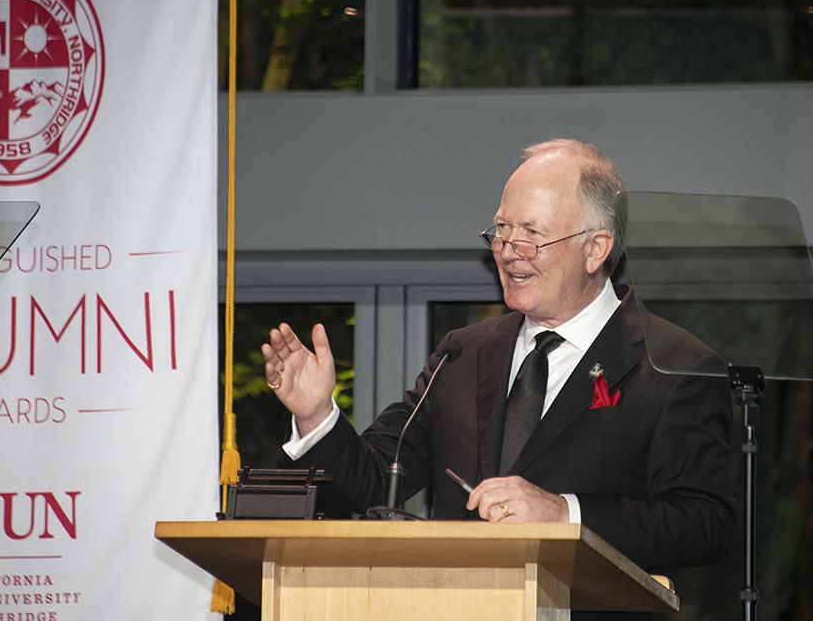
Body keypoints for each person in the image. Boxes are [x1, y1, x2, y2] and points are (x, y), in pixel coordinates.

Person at [261, 139, 735, 573]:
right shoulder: (463, 353)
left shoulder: (674, 366)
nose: (508, 252)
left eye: (531, 234)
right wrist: (317, 415)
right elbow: (372, 481)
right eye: (502, 230)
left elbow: (703, 523)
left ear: (596, 248)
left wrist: (563, 513)